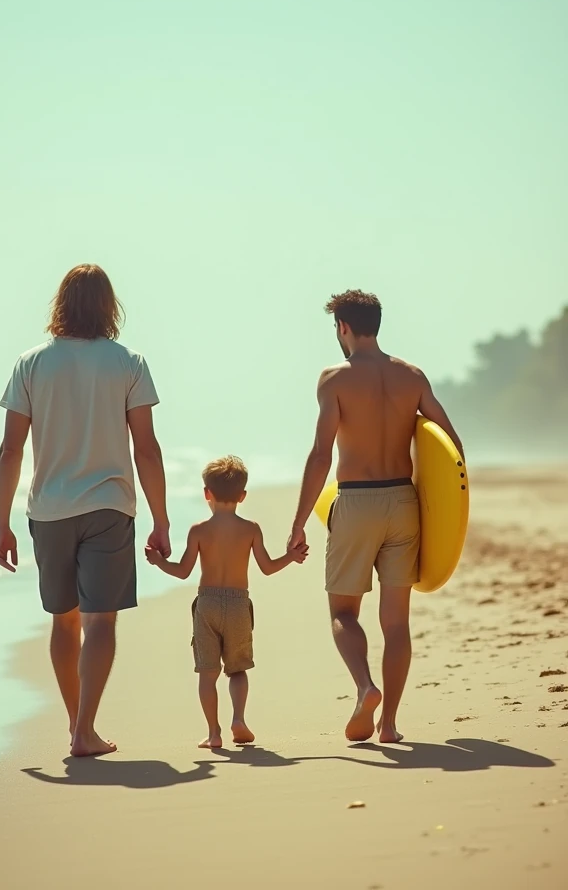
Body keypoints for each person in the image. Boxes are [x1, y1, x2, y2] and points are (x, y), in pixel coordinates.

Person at [0, 264, 170, 757]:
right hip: (109, 505)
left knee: (64, 620)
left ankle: (78, 725)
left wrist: (1, 522)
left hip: (49, 510)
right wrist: (161, 518)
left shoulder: (30, 363)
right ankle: (83, 729)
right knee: (102, 621)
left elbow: (11, 450)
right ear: (109, 306)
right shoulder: (128, 362)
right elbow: (147, 448)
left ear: (61, 304)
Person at [287, 290, 463, 745]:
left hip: (357, 501)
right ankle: (389, 725)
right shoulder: (412, 375)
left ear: (343, 327)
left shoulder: (334, 379)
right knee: (397, 623)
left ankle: (366, 688)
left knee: (343, 612)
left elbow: (321, 454)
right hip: (404, 503)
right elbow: (450, 445)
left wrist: (298, 521)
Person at [146, 456, 308, 749]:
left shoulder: (198, 530)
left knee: (207, 674)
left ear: (206, 493)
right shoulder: (251, 529)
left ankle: (213, 733)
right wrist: (292, 557)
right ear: (242, 496)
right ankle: (239, 719)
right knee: (238, 669)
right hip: (238, 605)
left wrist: (159, 562)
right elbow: (268, 568)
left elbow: (182, 571)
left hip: (207, 603)